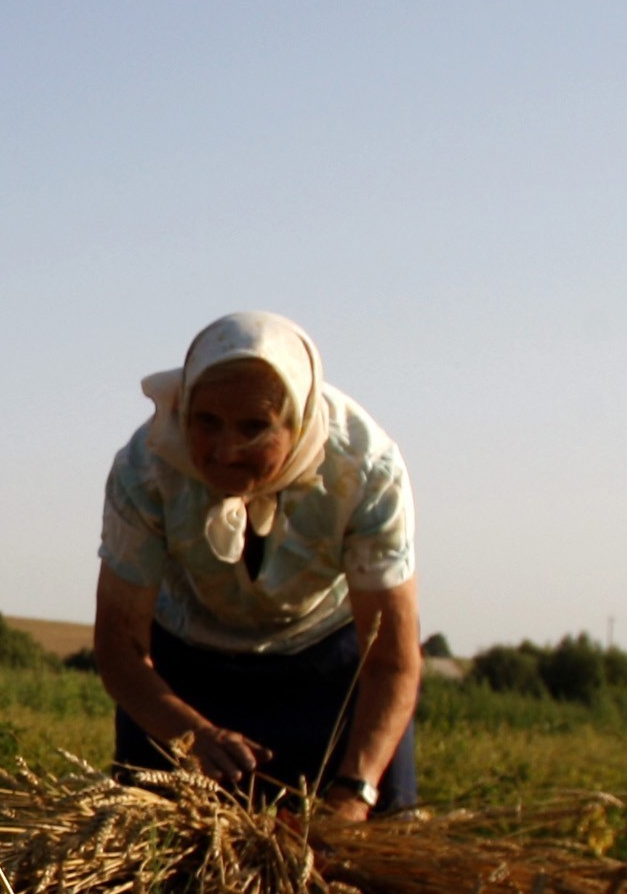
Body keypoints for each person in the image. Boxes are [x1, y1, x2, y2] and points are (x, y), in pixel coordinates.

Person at [92, 312, 422, 821]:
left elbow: (392, 660)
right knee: (158, 863)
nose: (225, 451)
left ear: (299, 420)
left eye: (254, 427)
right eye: (206, 422)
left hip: (328, 673)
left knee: (368, 869)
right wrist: (192, 733)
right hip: (185, 671)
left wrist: (356, 791)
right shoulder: (147, 468)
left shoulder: (364, 470)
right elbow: (120, 648)